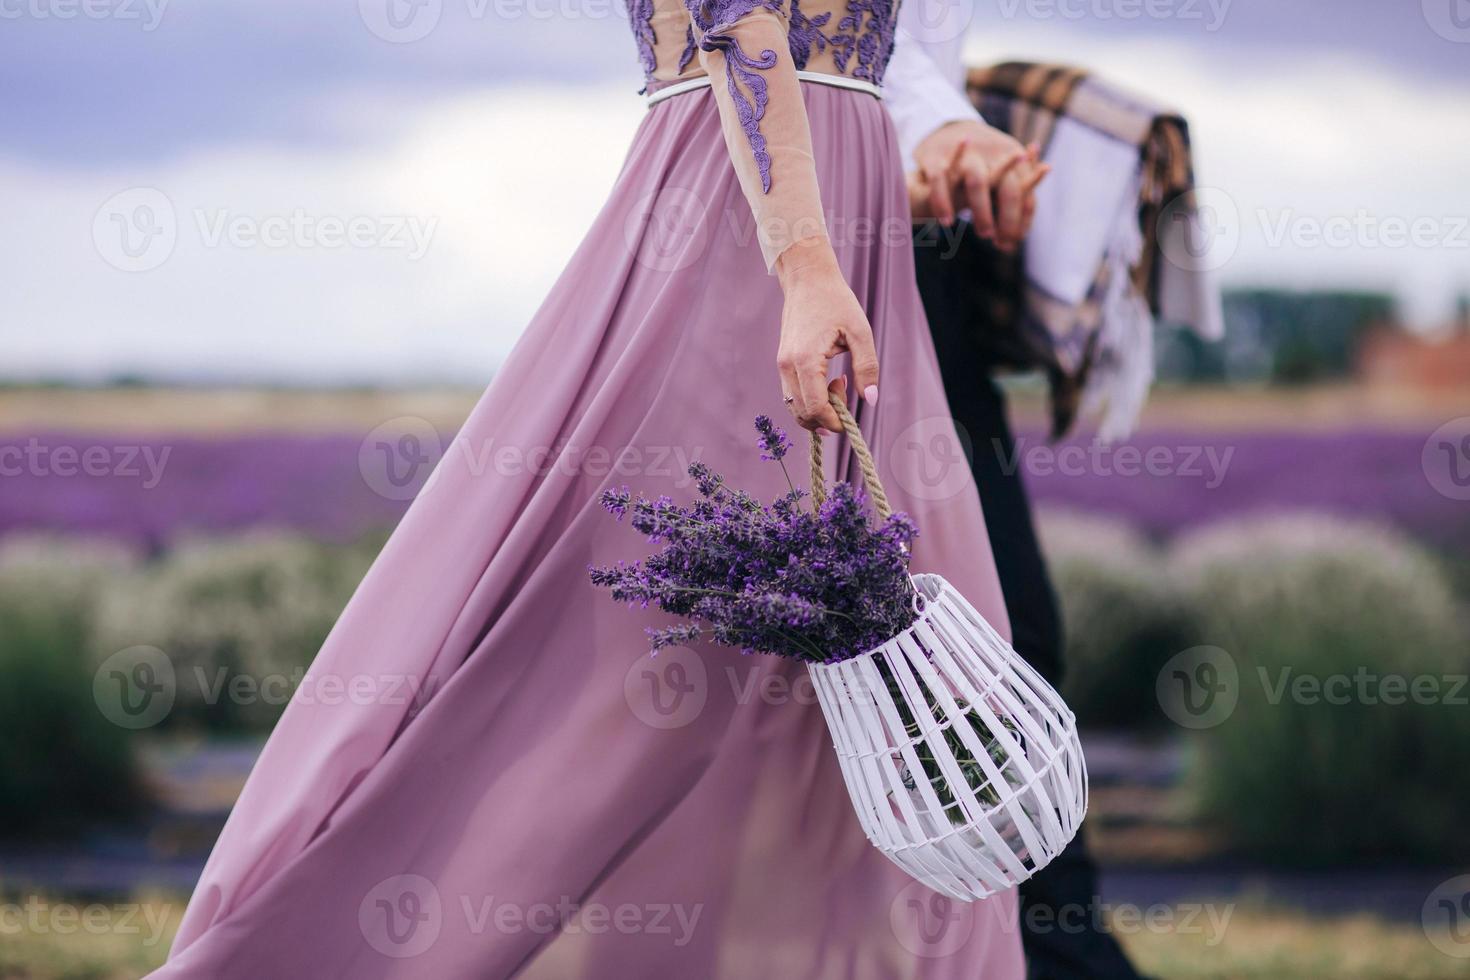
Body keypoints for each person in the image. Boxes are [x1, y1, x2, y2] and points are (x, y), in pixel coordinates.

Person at [152, 2, 1033, 977]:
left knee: (879, 664)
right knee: (620, 666)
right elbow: (740, 22)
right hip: (750, 237)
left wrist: (894, 177)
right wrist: (806, 263)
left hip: (836, 224)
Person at [884, 6, 1148, 979]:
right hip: (811, 256)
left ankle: (1058, 947)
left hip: (924, 256)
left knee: (1013, 641)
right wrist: (935, 130)